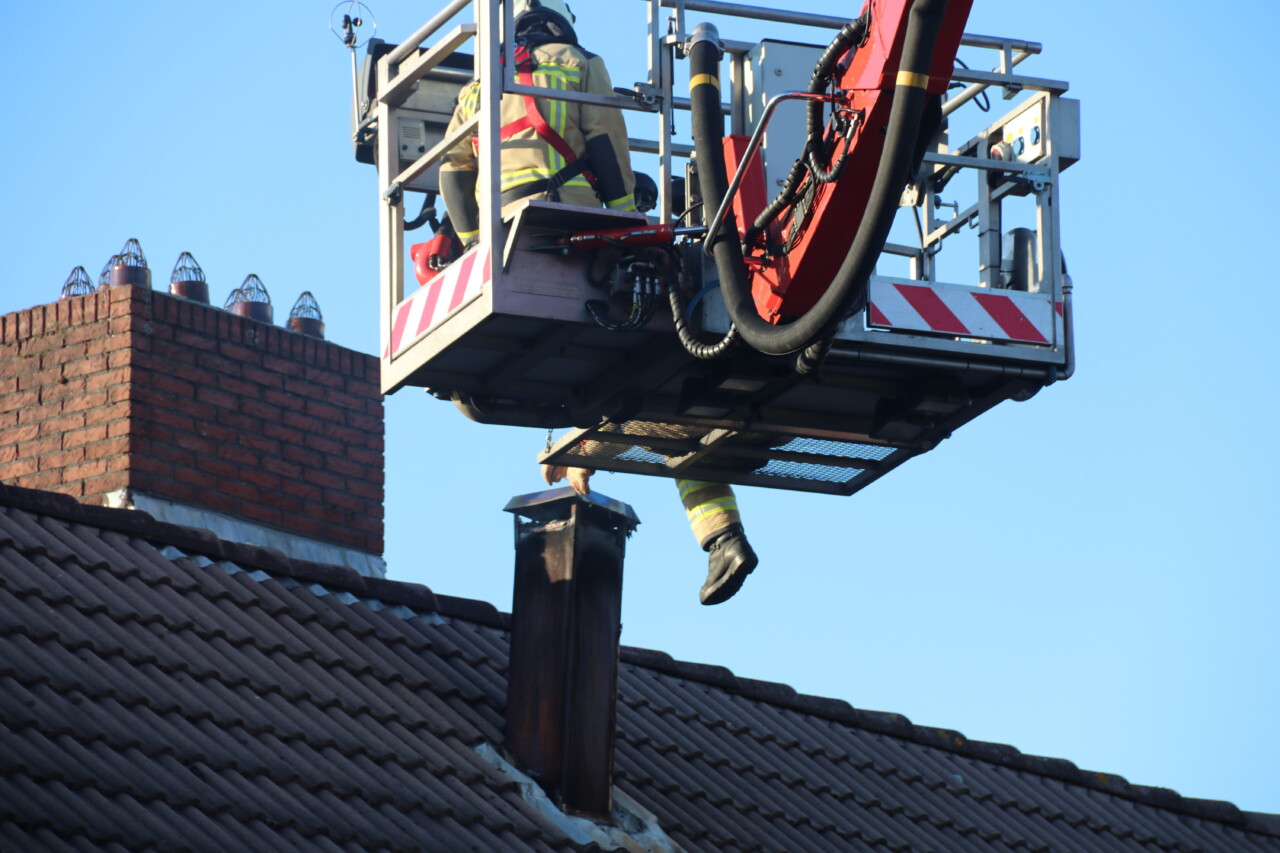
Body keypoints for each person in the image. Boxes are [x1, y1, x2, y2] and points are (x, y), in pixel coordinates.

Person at [440, 0, 758, 605]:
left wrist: (475, 251)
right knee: (667, 389)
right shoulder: (582, 64)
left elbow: (453, 175)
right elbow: (607, 147)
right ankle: (722, 535)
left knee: (632, 388)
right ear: (562, 26)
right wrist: (629, 225)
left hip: (507, 245)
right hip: (575, 233)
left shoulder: (478, 86)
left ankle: (718, 536)